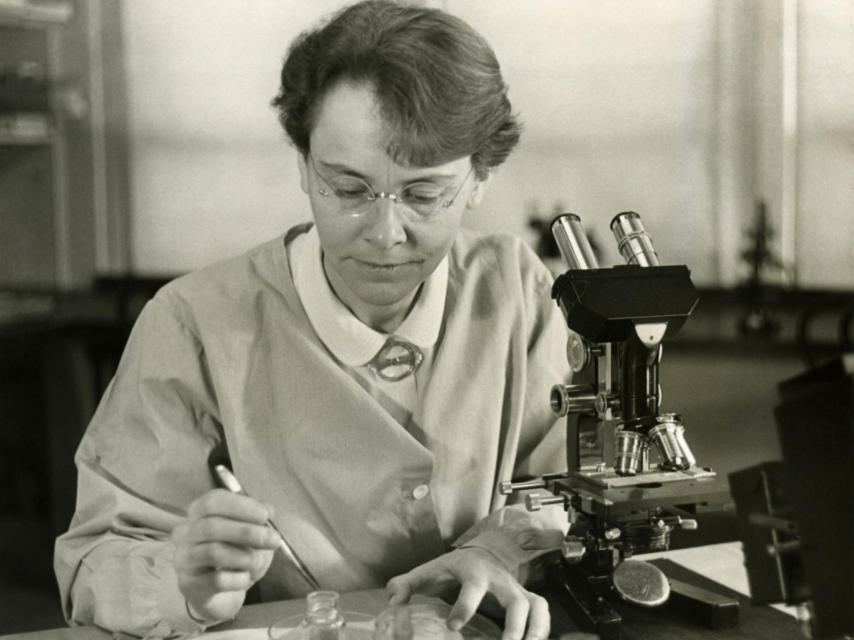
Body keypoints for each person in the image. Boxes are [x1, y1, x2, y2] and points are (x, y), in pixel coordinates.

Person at [54, 1, 571, 638]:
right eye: (349, 190)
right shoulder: (191, 325)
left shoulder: (518, 290)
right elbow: (94, 560)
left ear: (479, 178)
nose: (385, 234)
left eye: (424, 195)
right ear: (302, 164)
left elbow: (567, 489)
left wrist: (498, 549)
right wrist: (182, 584)